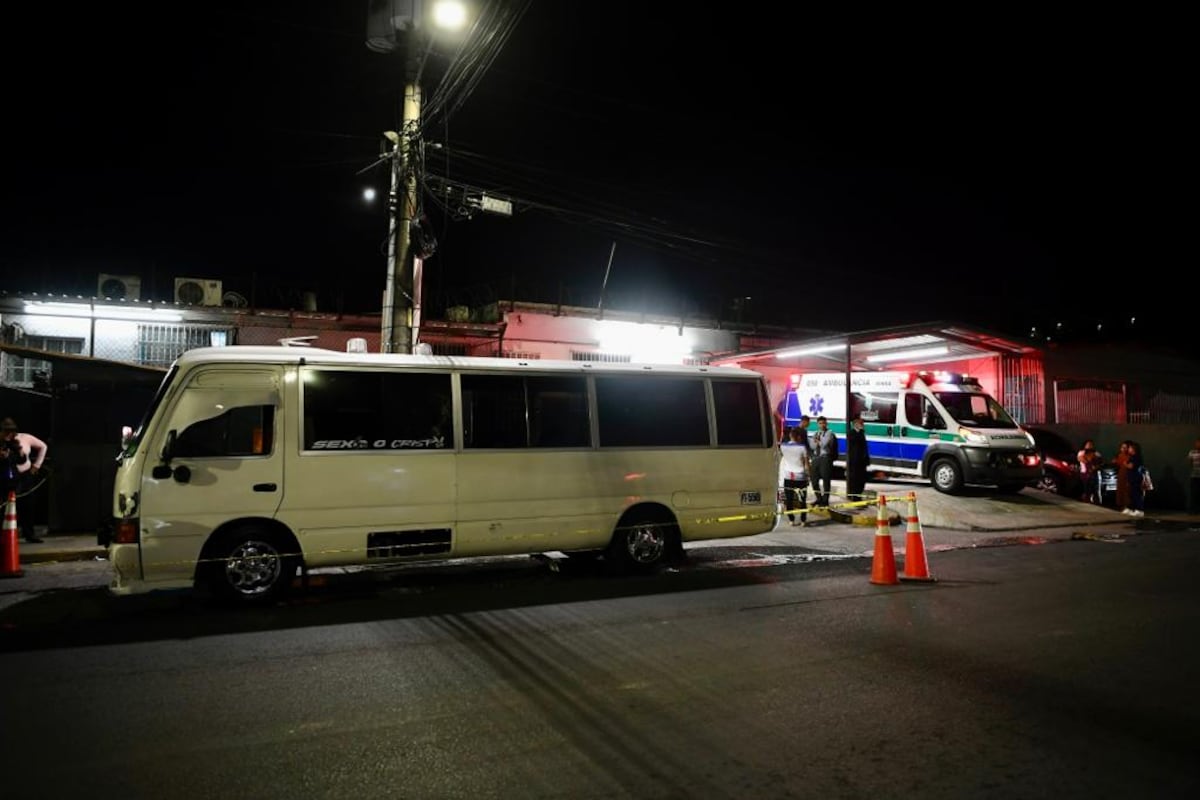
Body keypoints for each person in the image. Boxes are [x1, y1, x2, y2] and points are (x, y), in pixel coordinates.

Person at [1, 417, 48, 543]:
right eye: (5, 431)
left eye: (10, 431)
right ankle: (4, 535)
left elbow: (42, 447)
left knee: (28, 505)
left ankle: (29, 534)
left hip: (25, 475)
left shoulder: (22, 439)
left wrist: (36, 465)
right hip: (6, 477)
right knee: (5, 505)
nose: (8, 434)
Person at [779, 427, 811, 526]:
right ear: (798, 437)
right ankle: (803, 520)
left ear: (790, 436)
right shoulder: (802, 447)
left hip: (788, 476)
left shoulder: (783, 446)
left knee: (789, 500)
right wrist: (808, 476)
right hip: (800, 477)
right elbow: (806, 464)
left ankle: (791, 520)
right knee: (802, 500)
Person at [810, 415, 837, 510]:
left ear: (826, 423)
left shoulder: (829, 433)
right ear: (817, 424)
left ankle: (825, 501)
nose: (822, 425)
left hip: (825, 458)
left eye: (823, 423)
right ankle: (819, 498)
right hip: (816, 458)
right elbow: (812, 446)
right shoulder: (816, 433)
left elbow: (824, 444)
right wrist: (817, 442)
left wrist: (818, 441)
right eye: (820, 423)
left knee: (826, 480)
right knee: (813, 480)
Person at [845, 415, 868, 502]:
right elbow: (854, 445)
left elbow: (864, 447)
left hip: (862, 461)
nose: (862, 424)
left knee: (862, 479)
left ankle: (859, 494)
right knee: (854, 479)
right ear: (855, 424)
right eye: (861, 423)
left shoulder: (862, 433)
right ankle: (854, 495)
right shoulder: (851, 433)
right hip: (854, 461)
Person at [1122, 440, 1145, 518]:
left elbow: (1131, 466)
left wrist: (1125, 464)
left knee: (1136, 494)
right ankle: (1131, 508)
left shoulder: (1136, 457)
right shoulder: (1132, 457)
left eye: (1130, 448)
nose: (1128, 449)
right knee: (1131, 494)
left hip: (1136, 479)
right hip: (1132, 479)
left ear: (1134, 449)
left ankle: (1140, 510)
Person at [1076, 439, 1103, 504]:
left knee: (1095, 490)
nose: (1090, 446)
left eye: (1091, 444)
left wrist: (1095, 466)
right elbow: (1082, 459)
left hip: (1094, 474)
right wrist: (1090, 459)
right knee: (1086, 489)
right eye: (1088, 444)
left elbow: (1100, 462)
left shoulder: (1097, 453)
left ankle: (1096, 502)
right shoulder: (1081, 452)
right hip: (1084, 473)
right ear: (1085, 445)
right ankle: (1086, 501)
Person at [1113, 440, 1132, 512]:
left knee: (1127, 491)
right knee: (1120, 490)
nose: (1123, 449)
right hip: (1121, 474)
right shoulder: (1119, 455)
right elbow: (1116, 463)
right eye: (1122, 447)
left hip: (1128, 475)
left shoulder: (1130, 456)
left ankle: (1127, 506)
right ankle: (1121, 506)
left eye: (1125, 447)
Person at [1189, 438, 1200, 515]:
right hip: (1194, 475)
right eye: (1197, 443)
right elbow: (1190, 462)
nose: (1198, 444)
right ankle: (1194, 510)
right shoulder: (1192, 452)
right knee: (1194, 493)